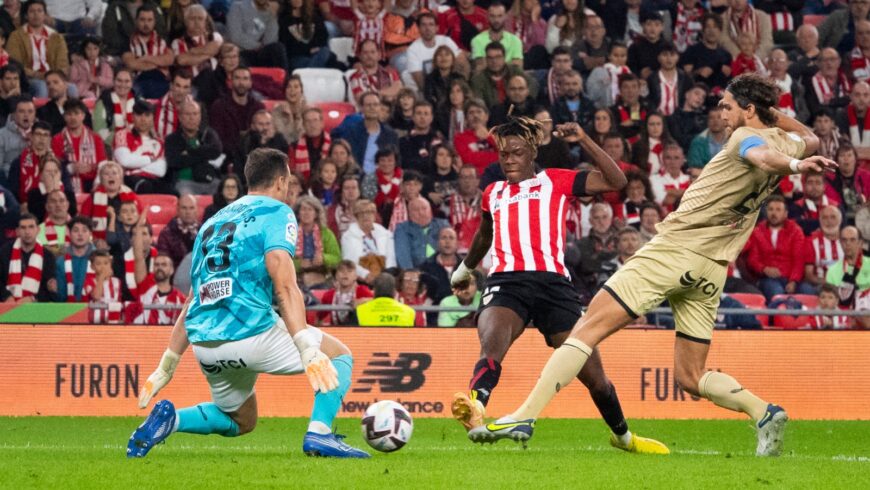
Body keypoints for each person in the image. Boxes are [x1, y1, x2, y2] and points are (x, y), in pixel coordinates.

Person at [467, 73, 835, 457]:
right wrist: (784, 135)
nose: (720, 113)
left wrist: (793, 165)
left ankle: (525, 415)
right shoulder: (787, 138)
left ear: (748, 110)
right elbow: (808, 136)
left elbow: (761, 154)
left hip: (674, 251)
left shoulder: (746, 138)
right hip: (712, 270)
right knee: (690, 377)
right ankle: (763, 411)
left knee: (586, 329)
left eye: (727, 105)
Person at [129, 147, 370, 459]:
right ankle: (320, 434)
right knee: (340, 356)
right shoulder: (276, 212)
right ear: (281, 181)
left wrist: (167, 364)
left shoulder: (211, 223)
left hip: (206, 345)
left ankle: (171, 420)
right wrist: (306, 347)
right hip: (252, 335)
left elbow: (193, 297)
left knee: (240, 420)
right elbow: (284, 282)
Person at [449, 115, 667, 454]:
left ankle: (624, 437)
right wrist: (464, 269)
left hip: (554, 286)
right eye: (503, 153)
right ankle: (476, 406)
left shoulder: (554, 181)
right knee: (492, 342)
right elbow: (484, 235)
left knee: (595, 376)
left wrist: (583, 138)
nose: (508, 159)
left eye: (516, 152)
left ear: (532, 153)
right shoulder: (493, 193)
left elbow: (616, 179)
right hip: (507, 282)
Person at [746, 195, 811, 301]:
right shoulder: (757, 231)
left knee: (808, 292)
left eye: (778, 210)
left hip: (792, 278)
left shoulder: (795, 231)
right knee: (776, 292)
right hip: (767, 279)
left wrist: (793, 281)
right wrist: (764, 269)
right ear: (766, 212)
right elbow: (753, 259)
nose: (774, 213)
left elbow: (799, 260)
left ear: (785, 213)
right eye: (771, 209)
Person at [6, 0, 69, 98]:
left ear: (45, 15)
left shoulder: (56, 37)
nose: (36, 14)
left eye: (40, 11)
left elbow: (63, 64)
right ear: (26, 16)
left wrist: (54, 78)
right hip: (29, 79)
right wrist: (37, 75)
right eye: (32, 11)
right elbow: (15, 65)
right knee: (41, 87)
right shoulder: (16, 36)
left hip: (53, 77)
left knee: (72, 88)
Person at [164, 99, 224, 195]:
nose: (191, 118)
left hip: (210, 180)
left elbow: (216, 151)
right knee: (188, 200)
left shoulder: (208, 134)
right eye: (188, 114)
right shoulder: (172, 139)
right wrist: (203, 155)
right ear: (180, 117)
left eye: (195, 114)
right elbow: (174, 161)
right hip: (184, 183)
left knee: (225, 192)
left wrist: (190, 152)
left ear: (200, 116)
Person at [209, 66, 265, 166]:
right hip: (228, 159)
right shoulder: (219, 106)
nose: (241, 83)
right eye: (237, 78)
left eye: (245, 79)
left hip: (255, 159)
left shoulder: (258, 107)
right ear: (231, 81)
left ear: (250, 82)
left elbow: (263, 136)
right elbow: (218, 139)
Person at [331, 91, 398, 174]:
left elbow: (397, 162)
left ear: (380, 107)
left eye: (375, 105)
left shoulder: (390, 134)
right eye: (368, 105)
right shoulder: (351, 132)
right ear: (361, 108)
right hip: (357, 179)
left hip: (382, 181)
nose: (372, 108)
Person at [113, 98, 168, 193]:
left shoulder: (159, 142)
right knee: (145, 186)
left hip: (153, 180)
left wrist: (134, 165)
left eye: (147, 115)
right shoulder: (122, 135)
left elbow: (161, 170)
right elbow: (125, 161)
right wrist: (150, 159)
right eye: (139, 115)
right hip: (128, 179)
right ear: (133, 117)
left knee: (173, 193)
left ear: (152, 118)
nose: (143, 119)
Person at [0, 212, 57, 302]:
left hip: (36, 309)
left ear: (38, 230)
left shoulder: (48, 256)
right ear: (17, 231)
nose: (27, 232)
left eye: (31, 227)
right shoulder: (4, 251)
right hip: (7, 305)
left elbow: (50, 289)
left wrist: (33, 299)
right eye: (23, 228)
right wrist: (6, 296)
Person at [52, 98, 104, 193]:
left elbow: (102, 164)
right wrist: (71, 168)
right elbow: (55, 166)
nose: (73, 118)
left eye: (76, 113)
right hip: (68, 183)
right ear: (64, 117)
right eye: (69, 114)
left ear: (83, 116)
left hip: (93, 182)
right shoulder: (57, 139)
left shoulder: (96, 138)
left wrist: (94, 176)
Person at [122, 5, 174, 99]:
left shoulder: (162, 40)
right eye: (142, 20)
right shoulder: (128, 41)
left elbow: (169, 60)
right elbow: (132, 64)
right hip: (139, 80)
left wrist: (145, 58)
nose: (146, 24)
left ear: (154, 21)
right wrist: (158, 62)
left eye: (149, 20)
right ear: (136, 21)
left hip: (161, 80)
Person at [79, 161, 139, 241]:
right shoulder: (92, 198)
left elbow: (141, 220)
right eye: (106, 174)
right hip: (99, 242)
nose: (111, 176)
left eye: (114, 173)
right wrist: (95, 239)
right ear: (101, 179)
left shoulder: (132, 197)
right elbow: (82, 223)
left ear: (120, 178)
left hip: (127, 240)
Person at [406, 12, 465, 91]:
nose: (427, 28)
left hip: (453, 88)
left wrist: (463, 88)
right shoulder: (412, 50)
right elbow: (420, 82)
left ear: (437, 28)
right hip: (430, 91)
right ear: (418, 28)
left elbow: (463, 62)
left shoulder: (446, 40)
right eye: (424, 25)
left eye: (431, 24)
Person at [341, 198, 395, 284]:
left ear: (374, 215)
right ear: (356, 216)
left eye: (369, 212)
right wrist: (365, 274)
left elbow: (391, 258)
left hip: (385, 274)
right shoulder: (348, 236)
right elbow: (350, 261)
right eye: (361, 213)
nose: (365, 216)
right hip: (361, 277)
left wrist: (385, 275)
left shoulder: (385, 233)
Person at [826, 226, 870, 329]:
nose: (848, 244)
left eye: (852, 240)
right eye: (844, 240)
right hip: (846, 313)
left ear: (860, 243)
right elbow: (830, 301)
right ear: (840, 243)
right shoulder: (832, 271)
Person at [469, 42, 534, 109]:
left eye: (498, 57)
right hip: (492, 115)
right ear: (486, 59)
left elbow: (533, 85)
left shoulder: (515, 71)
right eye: (490, 58)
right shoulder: (478, 79)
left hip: (519, 110)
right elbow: (479, 104)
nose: (494, 61)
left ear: (504, 57)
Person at [226, 0, 287, 70]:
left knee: (278, 48)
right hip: (240, 51)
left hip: (257, 53)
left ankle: (284, 79)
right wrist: (257, 46)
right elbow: (235, 37)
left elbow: (270, 41)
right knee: (241, 64)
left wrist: (273, 16)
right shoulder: (238, 6)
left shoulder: (269, 12)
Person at [679, 13, 732, 92]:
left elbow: (730, 82)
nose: (712, 31)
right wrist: (698, 72)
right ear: (702, 30)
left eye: (715, 27)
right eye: (708, 27)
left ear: (720, 31)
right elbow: (684, 77)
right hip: (698, 94)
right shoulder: (692, 50)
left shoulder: (726, 55)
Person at [394, 197, 448, 269]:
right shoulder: (403, 229)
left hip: (442, 271)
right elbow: (403, 256)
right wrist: (411, 273)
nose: (421, 213)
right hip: (416, 272)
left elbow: (451, 250)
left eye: (424, 209)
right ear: (409, 214)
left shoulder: (443, 225)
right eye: (416, 210)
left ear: (430, 211)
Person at [134, 252, 187, 325]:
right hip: (145, 334)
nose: (159, 267)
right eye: (156, 265)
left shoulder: (180, 299)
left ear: (172, 270)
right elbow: (138, 258)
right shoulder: (145, 289)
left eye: (164, 265)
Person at [317, 259, 373, 326]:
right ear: (336, 276)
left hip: (358, 332)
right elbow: (318, 320)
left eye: (349, 271)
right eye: (341, 271)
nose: (345, 274)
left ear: (355, 276)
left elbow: (378, 301)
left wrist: (364, 301)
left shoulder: (363, 291)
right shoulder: (329, 295)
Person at [280, 0, 330, 71]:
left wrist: (314, 48)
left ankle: (308, 72)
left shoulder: (313, 15)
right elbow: (287, 45)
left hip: (316, 55)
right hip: (297, 58)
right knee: (323, 59)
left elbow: (323, 36)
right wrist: (308, 50)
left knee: (325, 51)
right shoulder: (284, 19)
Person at [348, 39, 402, 105]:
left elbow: (398, 89)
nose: (369, 56)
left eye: (372, 52)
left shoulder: (391, 72)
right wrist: (389, 94)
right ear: (360, 56)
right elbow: (362, 98)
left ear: (379, 55)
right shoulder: (355, 77)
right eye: (365, 52)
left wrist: (377, 93)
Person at [802, 206, 844, 292]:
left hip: (845, 284)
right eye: (825, 218)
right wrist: (829, 283)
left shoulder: (849, 239)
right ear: (820, 221)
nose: (829, 221)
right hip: (820, 285)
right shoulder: (811, 242)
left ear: (840, 220)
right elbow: (809, 275)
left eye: (833, 217)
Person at [54, 215, 94, 302]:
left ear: (90, 234)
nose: (80, 234)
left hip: (94, 310)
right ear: (70, 234)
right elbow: (60, 296)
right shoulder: (60, 262)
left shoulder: (99, 259)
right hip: (67, 310)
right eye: (76, 230)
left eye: (84, 230)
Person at [419, 226, 462, 304]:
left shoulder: (466, 266)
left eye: (451, 238)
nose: (447, 242)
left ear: (457, 243)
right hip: (435, 311)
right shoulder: (426, 267)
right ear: (437, 242)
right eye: (443, 238)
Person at [93, 68, 136, 144]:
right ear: (113, 82)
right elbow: (99, 131)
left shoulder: (138, 102)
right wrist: (123, 138)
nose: (123, 85)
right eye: (119, 80)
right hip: (110, 147)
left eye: (127, 81)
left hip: (136, 143)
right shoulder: (103, 103)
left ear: (132, 83)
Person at [289, 107, 331, 183]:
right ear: (303, 125)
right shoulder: (294, 147)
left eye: (315, 120)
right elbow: (292, 171)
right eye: (308, 121)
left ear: (322, 123)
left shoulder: (333, 145)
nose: (312, 125)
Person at [0, 97, 36, 186]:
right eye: (21, 111)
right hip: (10, 181)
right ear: (14, 114)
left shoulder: (41, 133)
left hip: (36, 180)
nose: (26, 115)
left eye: (30, 111)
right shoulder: (2, 135)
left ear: (35, 114)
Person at [85, 248, 124, 323]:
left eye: (106, 263)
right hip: (94, 323)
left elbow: (118, 302)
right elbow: (96, 296)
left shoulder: (117, 282)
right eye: (99, 264)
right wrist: (102, 277)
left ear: (110, 264)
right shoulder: (89, 281)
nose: (103, 267)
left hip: (112, 323)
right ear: (92, 267)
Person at [154, 70, 192, 140]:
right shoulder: (156, 107)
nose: (181, 91)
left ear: (190, 90)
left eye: (185, 87)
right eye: (178, 86)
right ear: (171, 86)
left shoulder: (197, 108)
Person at [688, 106, 728, 172]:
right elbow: (695, 167)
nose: (715, 121)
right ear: (707, 121)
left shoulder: (733, 140)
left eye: (719, 117)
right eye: (711, 118)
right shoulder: (697, 142)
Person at [36, 189, 69, 253]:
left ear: (67, 205)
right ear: (47, 207)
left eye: (61, 201)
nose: (58, 205)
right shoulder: (38, 230)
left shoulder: (78, 227)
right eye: (53, 201)